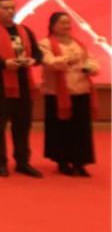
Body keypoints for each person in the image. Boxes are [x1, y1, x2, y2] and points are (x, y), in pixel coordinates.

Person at [0, 0, 43, 178]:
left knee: (23, 125)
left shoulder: (25, 31)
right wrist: (4, 64)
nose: (10, 11)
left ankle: (22, 162)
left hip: (24, 84)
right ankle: (1, 162)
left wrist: (33, 60)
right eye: (5, 8)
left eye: (12, 7)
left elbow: (38, 53)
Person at [39, 12, 100, 177]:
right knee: (61, 130)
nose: (67, 26)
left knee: (81, 129)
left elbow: (91, 60)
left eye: (68, 23)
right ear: (53, 26)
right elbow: (49, 62)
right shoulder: (45, 44)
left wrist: (91, 68)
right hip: (57, 94)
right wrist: (66, 59)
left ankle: (80, 163)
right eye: (62, 23)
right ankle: (63, 162)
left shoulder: (78, 43)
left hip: (81, 90)